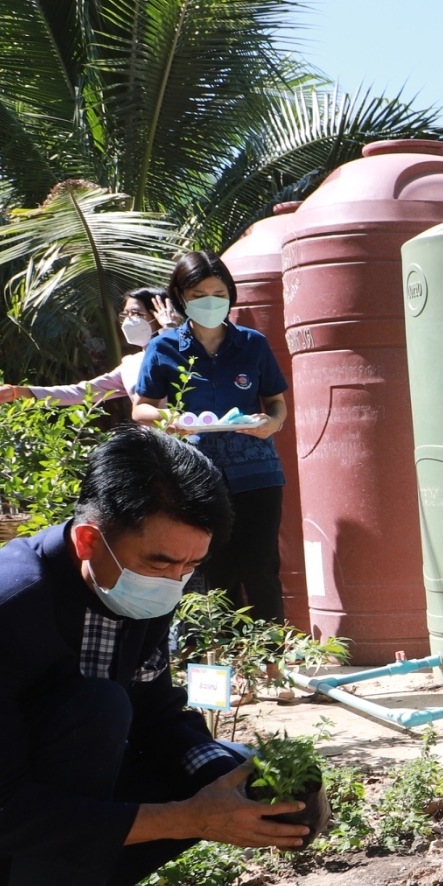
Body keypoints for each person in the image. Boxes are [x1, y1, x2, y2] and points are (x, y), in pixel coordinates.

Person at [0, 427, 309, 886]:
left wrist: (238, 777)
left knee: (212, 767)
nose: (174, 583)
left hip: (17, 795)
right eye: (161, 563)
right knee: (96, 708)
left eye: (190, 567)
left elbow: (158, 716)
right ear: (88, 541)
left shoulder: (134, 585)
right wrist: (192, 819)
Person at [134, 251, 289, 621]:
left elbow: (277, 403)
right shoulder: (164, 346)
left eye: (219, 293)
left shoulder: (252, 343)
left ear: (231, 295)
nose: (210, 302)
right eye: (200, 294)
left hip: (258, 470)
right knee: (213, 567)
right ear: (181, 296)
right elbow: (141, 408)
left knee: (260, 564)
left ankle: (270, 660)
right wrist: (169, 419)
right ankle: (224, 660)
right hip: (197, 473)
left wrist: (272, 423)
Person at [0, 288, 176, 424]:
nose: (129, 321)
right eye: (125, 315)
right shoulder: (131, 365)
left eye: (137, 314)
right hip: (155, 450)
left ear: (159, 316)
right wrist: (18, 392)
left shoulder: (188, 351)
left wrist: (169, 330)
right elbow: (81, 392)